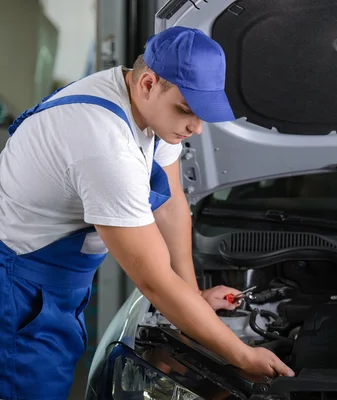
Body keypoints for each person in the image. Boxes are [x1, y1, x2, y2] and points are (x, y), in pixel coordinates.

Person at [0, 26, 294, 400]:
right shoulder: (105, 146)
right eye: (186, 111)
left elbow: (171, 207)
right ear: (148, 84)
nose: (196, 128)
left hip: (51, 280)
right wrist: (240, 354)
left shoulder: (148, 108)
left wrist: (192, 295)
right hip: (16, 285)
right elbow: (153, 280)